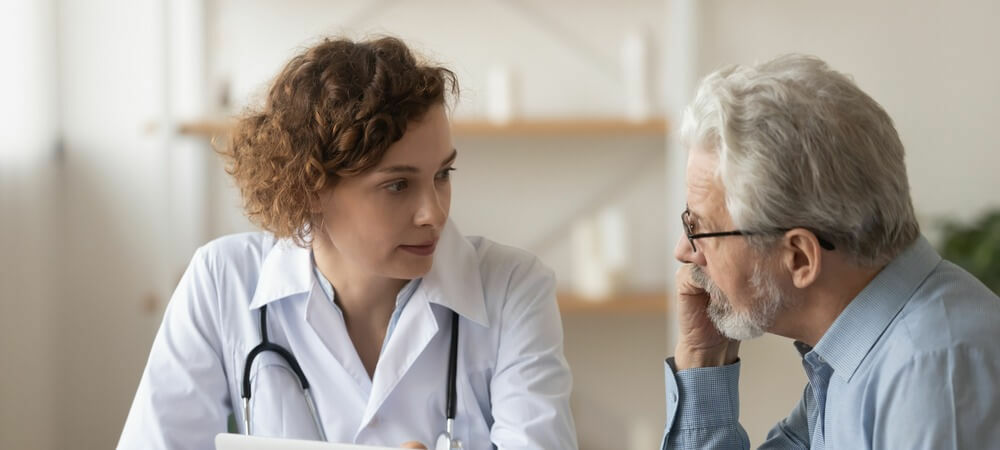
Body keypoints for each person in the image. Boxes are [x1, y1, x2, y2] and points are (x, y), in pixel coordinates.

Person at [118, 36, 577, 450]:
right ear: (312, 187)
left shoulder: (514, 287)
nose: (434, 213)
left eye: (442, 175)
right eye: (398, 185)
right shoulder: (222, 282)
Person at [663, 54, 1000, 449]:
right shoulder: (850, 362)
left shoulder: (934, 373)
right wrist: (702, 358)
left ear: (800, 257)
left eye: (699, 227)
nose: (684, 250)